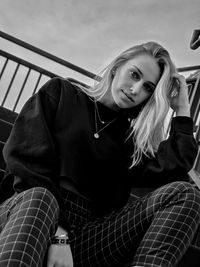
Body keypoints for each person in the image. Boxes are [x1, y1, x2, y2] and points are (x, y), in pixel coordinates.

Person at [0, 41, 199, 267]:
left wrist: (182, 109)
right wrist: (59, 234)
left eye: (148, 88)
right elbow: (26, 161)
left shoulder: (129, 142)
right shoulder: (61, 93)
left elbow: (175, 167)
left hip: (87, 237)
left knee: (185, 194)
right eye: (134, 75)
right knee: (40, 200)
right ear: (117, 68)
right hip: (26, 213)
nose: (136, 90)